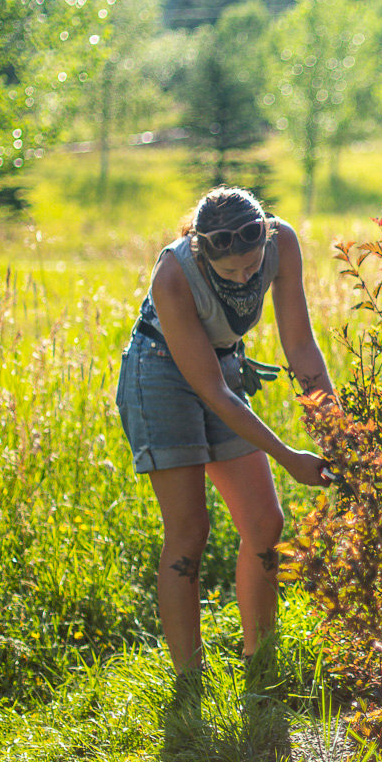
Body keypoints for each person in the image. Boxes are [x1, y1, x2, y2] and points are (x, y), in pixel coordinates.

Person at [116, 185, 333, 678]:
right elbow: (214, 393)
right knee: (190, 530)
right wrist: (287, 456)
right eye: (231, 272)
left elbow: (300, 346)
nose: (245, 276)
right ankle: (189, 681)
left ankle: (261, 660)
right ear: (203, 249)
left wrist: (337, 430)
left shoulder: (282, 242)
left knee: (265, 522)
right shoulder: (173, 274)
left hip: (219, 365)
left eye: (252, 265)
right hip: (160, 374)